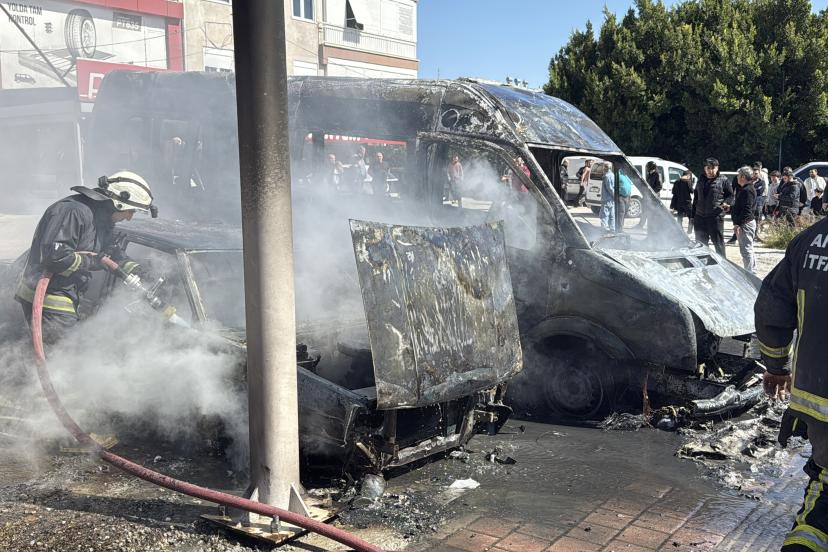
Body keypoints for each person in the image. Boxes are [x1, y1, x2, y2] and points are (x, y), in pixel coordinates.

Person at [754, 214, 828, 551]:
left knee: (824, 496)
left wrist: (777, 367)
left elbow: (771, 308)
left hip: (816, 399)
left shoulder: (809, 240)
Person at [14, 171, 156, 344]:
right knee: (61, 354)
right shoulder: (73, 212)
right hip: (50, 299)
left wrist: (137, 270)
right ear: (119, 203)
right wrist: (92, 261)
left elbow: (111, 253)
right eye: (131, 211)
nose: (129, 217)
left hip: (67, 294)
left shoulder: (100, 219)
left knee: (64, 352)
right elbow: (55, 256)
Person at [692, 157, 733, 256]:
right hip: (700, 217)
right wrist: (692, 216)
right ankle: (703, 262)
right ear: (705, 168)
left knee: (718, 244)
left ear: (717, 168)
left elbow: (730, 195)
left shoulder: (723, 180)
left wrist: (726, 203)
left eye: (712, 168)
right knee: (700, 244)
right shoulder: (700, 179)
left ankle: (722, 262)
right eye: (708, 168)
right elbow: (696, 198)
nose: (710, 171)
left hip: (715, 217)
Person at [732, 166, 757, 273]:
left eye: (738, 175)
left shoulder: (747, 190)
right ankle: (752, 271)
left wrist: (738, 224)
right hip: (746, 222)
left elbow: (747, 209)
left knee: (746, 250)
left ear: (743, 177)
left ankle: (749, 273)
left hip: (745, 223)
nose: (737, 177)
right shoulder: (745, 189)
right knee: (748, 249)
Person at [636, 161, 662, 229]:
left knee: (652, 213)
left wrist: (652, 193)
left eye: (647, 167)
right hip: (648, 196)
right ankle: (641, 225)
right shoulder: (649, 174)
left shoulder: (657, 174)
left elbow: (659, 187)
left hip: (653, 197)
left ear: (651, 167)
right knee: (645, 210)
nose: (646, 168)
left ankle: (652, 227)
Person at [599, 161, 616, 233]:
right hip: (611, 199)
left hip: (607, 199)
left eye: (603, 167)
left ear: (606, 168)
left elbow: (610, 188)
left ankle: (604, 230)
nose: (603, 168)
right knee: (612, 215)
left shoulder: (607, 176)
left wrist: (614, 196)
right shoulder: (612, 175)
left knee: (604, 215)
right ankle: (612, 229)